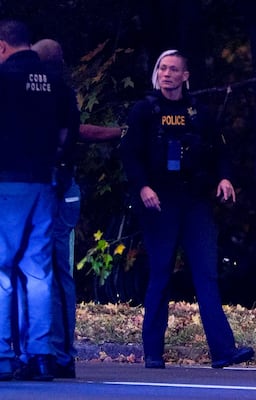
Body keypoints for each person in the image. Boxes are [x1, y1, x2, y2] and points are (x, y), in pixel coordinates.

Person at [120, 49, 254, 369]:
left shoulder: (198, 113)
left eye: (173, 69)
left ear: (185, 75)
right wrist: (142, 187)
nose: (166, 73)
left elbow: (220, 151)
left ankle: (223, 351)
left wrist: (224, 178)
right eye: (162, 68)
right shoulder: (145, 110)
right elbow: (129, 153)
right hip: (159, 202)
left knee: (206, 274)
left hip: (194, 201)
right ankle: (153, 352)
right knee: (161, 273)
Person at [23, 38, 124, 379]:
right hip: (52, 188)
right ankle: (48, 349)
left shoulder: (55, 95)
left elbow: (68, 135)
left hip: (56, 188)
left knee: (51, 269)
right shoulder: (54, 93)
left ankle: (58, 352)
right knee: (45, 270)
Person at [0, 20, 71, 381]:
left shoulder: (3, 78)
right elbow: (66, 131)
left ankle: (2, 355)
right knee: (38, 270)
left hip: (6, 182)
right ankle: (41, 356)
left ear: (2, 47)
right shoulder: (54, 81)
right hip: (44, 181)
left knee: (1, 270)